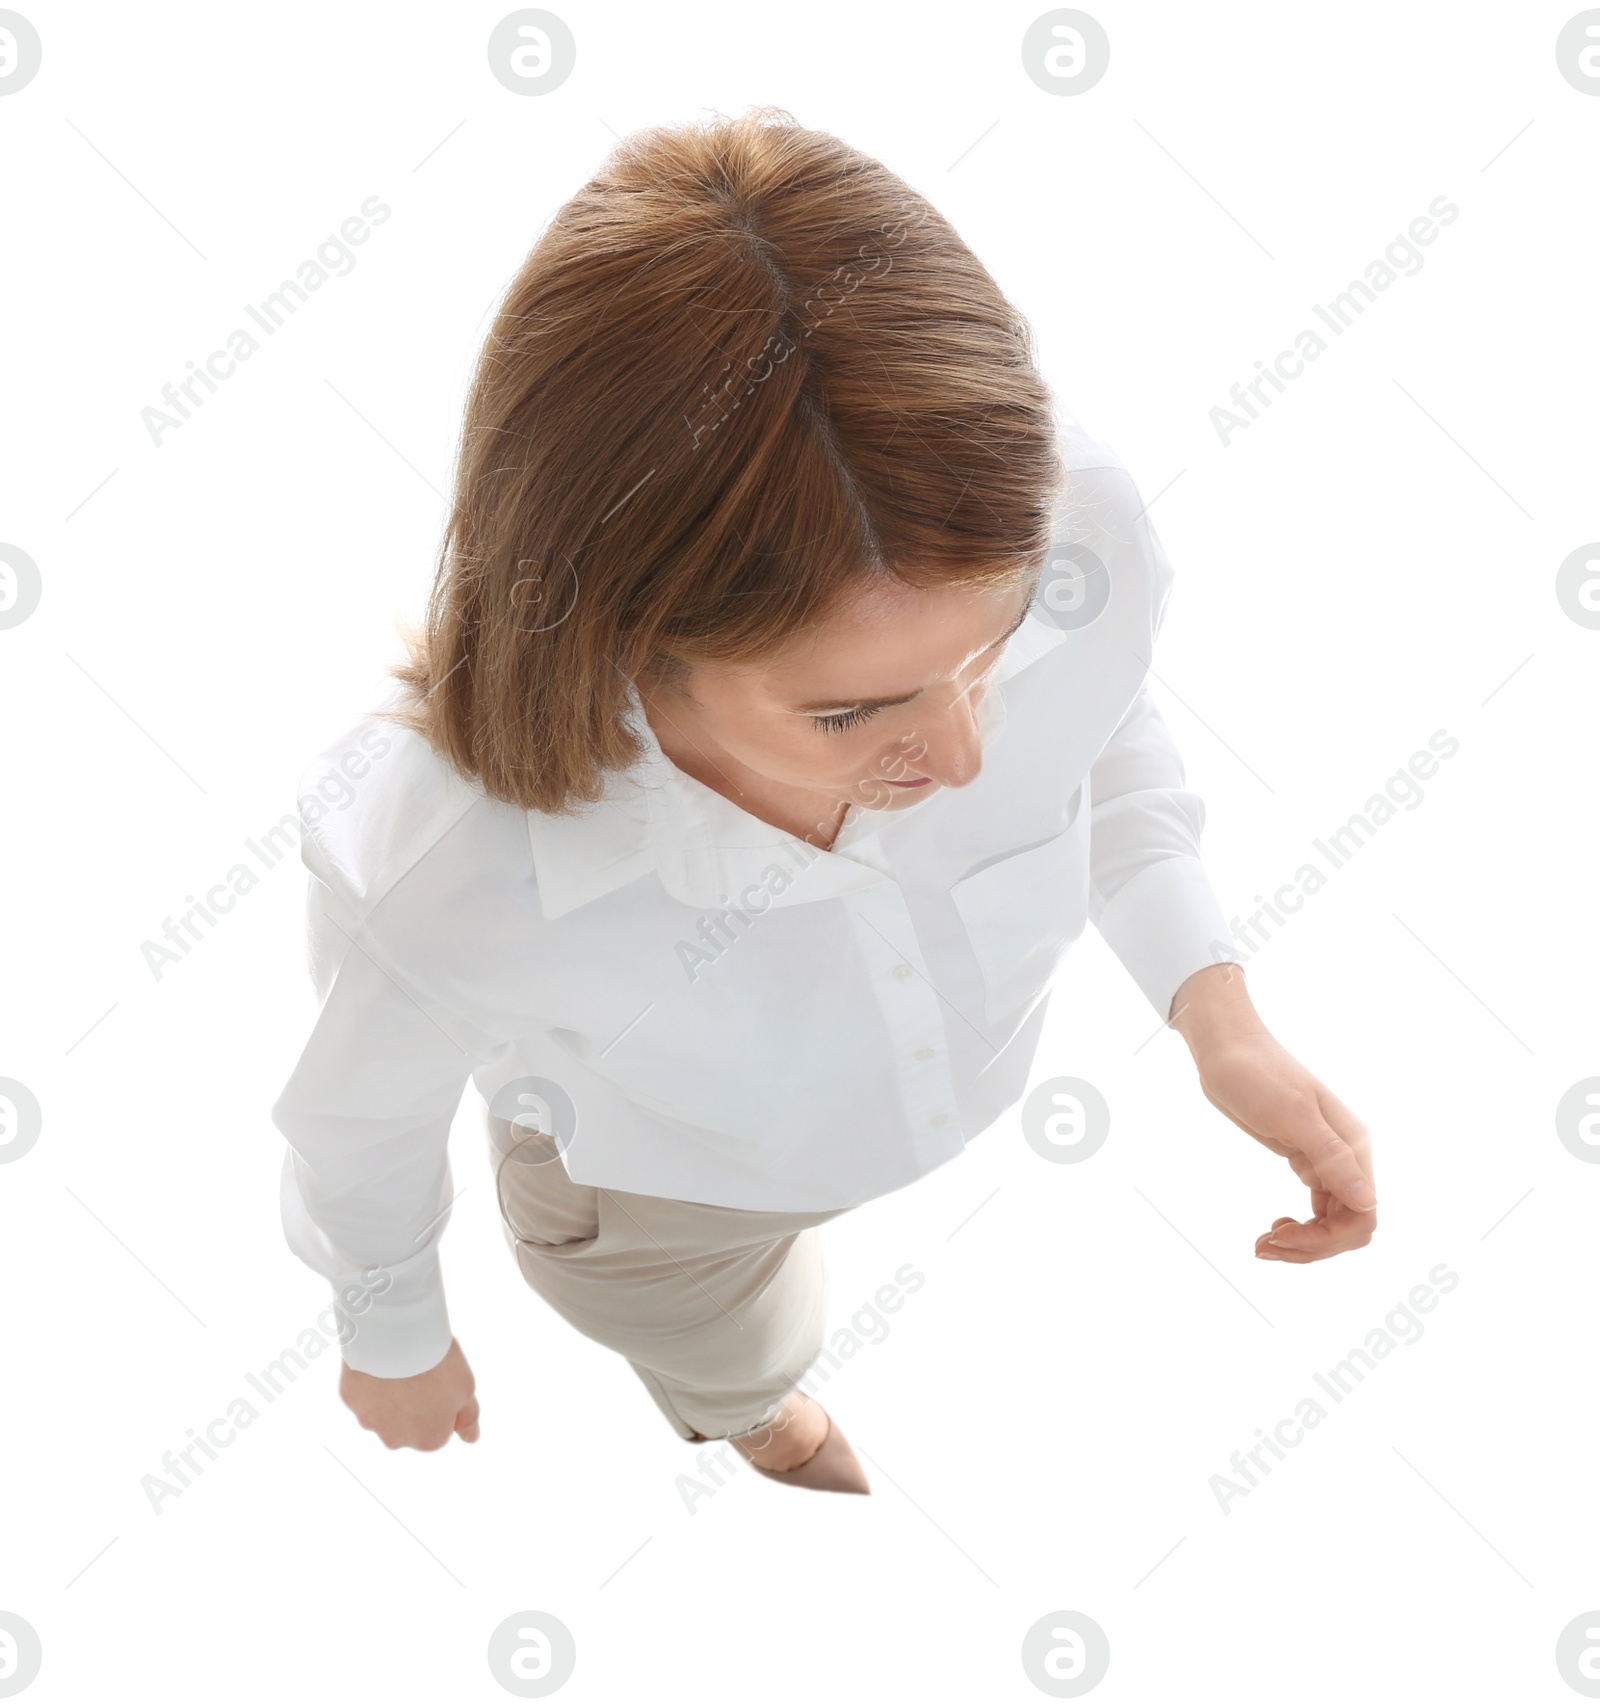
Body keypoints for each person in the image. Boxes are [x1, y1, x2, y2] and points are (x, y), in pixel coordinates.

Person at [271, 108, 1377, 1496]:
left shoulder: (1067, 524)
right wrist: (393, 1333)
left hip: (905, 1108)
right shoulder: (455, 869)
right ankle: (741, 1406)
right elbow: (354, 1128)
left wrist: (1220, 1018)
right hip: (661, 1217)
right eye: (847, 713)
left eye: (991, 656)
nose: (967, 756)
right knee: (730, 1354)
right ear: (617, 635)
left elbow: (1098, 722)